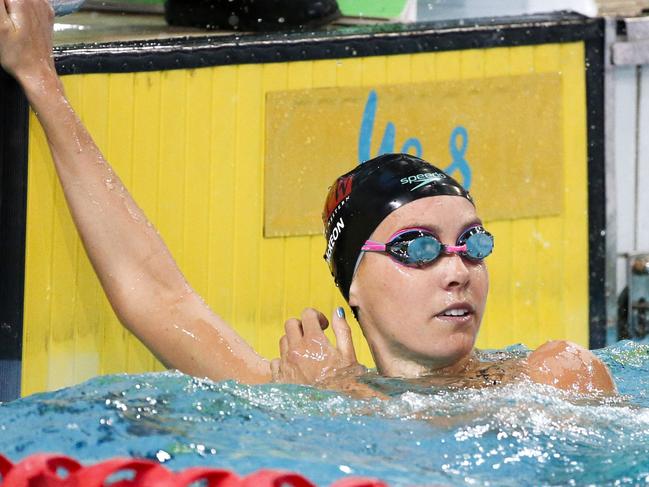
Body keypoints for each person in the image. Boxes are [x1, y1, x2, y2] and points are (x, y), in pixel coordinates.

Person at [0, 0, 616, 395]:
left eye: (471, 244)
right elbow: (158, 298)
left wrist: (340, 398)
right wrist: (39, 77)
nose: (457, 270)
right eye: (419, 247)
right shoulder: (303, 387)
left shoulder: (555, 375)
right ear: (352, 285)